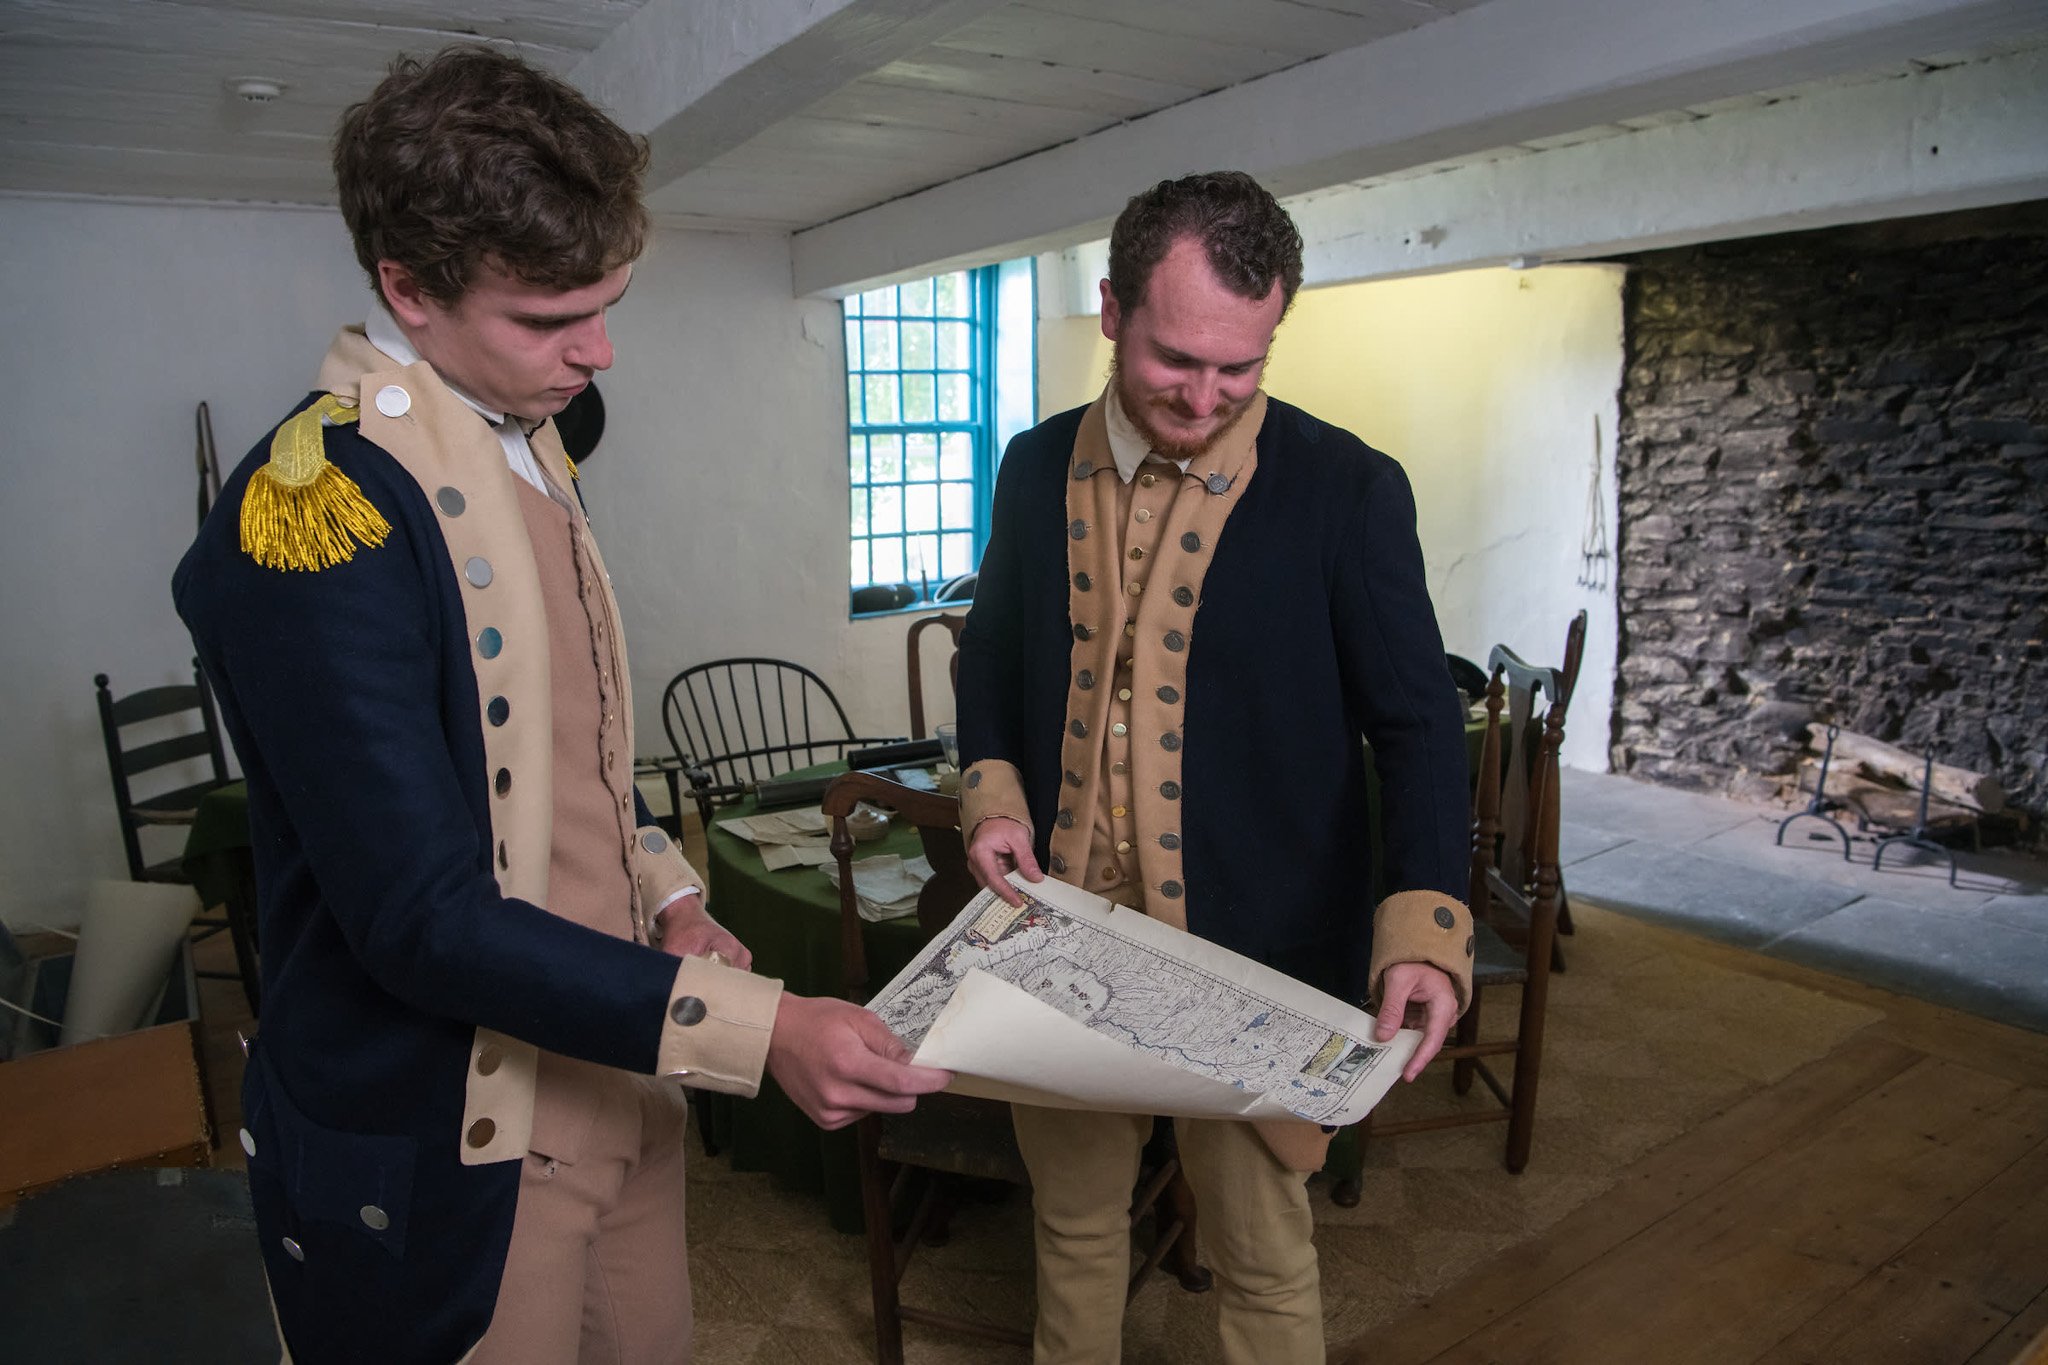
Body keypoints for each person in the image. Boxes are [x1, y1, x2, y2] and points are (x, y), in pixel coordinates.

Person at [173, 47, 947, 1365]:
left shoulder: (534, 425)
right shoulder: (310, 514)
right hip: (455, 1135)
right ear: (406, 291)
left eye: (608, 304)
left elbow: (575, 756)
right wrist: (764, 1032)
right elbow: (417, 920)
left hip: (621, 1073)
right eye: (547, 319)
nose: (595, 356)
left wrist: (670, 892)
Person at [955, 171, 1475, 1365]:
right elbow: (989, 652)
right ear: (1110, 310)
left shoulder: (1349, 489)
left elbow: (1417, 724)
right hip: (1063, 938)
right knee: (1074, 1228)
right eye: (1176, 359)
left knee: (1262, 1252)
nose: (1206, 394)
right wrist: (992, 793)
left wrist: (1421, 925)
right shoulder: (1033, 467)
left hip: (1265, 946)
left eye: (1242, 366)